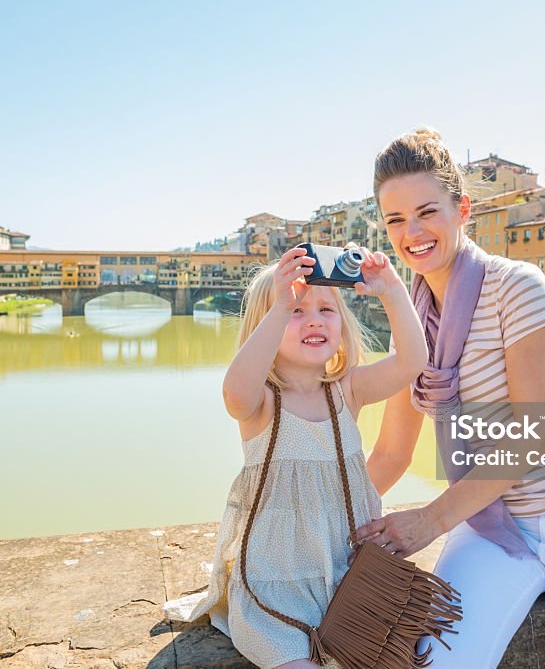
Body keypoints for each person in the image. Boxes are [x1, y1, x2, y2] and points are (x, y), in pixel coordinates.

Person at [354, 128, 545, 668]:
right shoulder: (413, 322)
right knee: (433, 663)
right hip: (492, 523)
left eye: (427, 212)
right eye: (396, 220)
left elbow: (531, 439)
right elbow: (390, 455)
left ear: (462, 209)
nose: (413, 232)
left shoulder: (518, 286)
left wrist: (427, 522)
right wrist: (318, 521)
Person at [163, 245, 428, 668]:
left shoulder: (347, 391)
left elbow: (414, 360)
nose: (315, 319)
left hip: (347, 575)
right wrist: (281, 302)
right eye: (296, 312)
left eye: (327, 309)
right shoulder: (263, 402)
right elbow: (234, 390)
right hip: (273, 585)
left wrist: (394, 291)